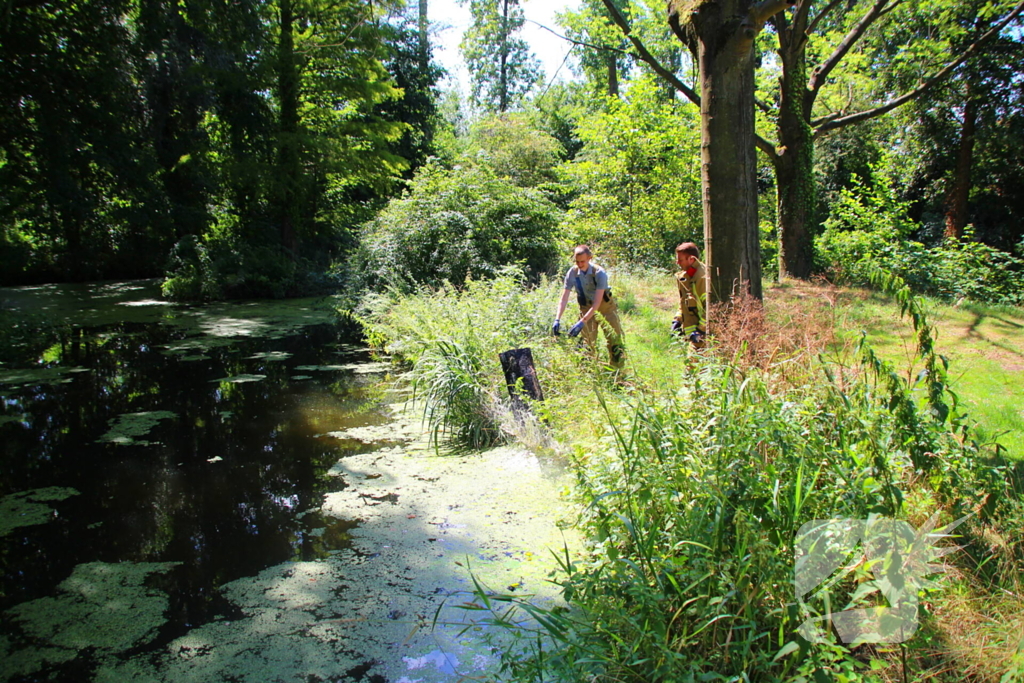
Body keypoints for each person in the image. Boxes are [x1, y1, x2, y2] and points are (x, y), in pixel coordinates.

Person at [552, 245, 625, 369]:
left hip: (605, 308)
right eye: (577, 261)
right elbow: (564, 298)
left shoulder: (599, 273)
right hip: (586, 308)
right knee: (587, 344)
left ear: (590, 258)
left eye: (582, 261)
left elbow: (597, 303)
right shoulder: (572, 273)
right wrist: (557, 319)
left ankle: (617, 373)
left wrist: (581, 322)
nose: (579, 264)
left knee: (615, 341)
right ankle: (589, 373)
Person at [672, 242, 707, 345]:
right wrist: (677, 320)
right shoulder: (685, 277)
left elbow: (710, 307)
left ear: (691, 259)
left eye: (680, 260)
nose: (678, 263)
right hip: (692, 335)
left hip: (704, 336)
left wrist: (700, 330)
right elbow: (684, 301)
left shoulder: (702, 277)